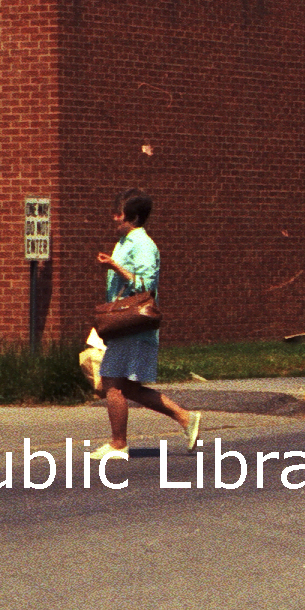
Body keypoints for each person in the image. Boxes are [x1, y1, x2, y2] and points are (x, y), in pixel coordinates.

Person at [93, 190, 200, 463]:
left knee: (113, 384)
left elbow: (146, 286)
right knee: (128, 388)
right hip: (124, 326)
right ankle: (185, 417)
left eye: (119, 212)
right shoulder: (125, 241)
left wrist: (115, 267)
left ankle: (118, 444)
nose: (114, 216)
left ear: (134, 216)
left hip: (134, 325)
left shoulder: (143, 244)